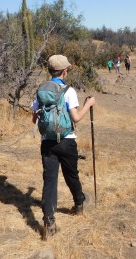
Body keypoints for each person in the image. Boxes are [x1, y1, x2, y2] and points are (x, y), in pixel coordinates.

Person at [31, 55, 96, 239]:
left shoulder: (41, 90)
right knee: (71, 174)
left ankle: (49, 222)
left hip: (47, 142)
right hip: (66, 140)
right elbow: (76, 118)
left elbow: (34, 117)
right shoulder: (69, 91)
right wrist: (88, 104)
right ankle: (79, 203)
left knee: (49, 181)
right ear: (64, 71)